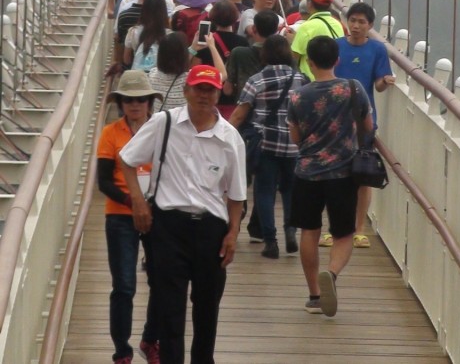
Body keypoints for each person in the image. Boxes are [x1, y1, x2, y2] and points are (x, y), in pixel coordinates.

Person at [120, 64, 246, 364]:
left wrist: (233, 234)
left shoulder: (230, 138)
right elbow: (127, 159)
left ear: (218, 93)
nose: (204, 95)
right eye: (199, 88)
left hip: (211, 229)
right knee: (170, 310)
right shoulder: (164, 123)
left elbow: (237, 195)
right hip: (168, 227)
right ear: (186, 91)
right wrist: (138, 201)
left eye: (210, 90)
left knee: (207, 310)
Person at [287, 35, 372, 317]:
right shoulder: (352, 88)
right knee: (343, 233)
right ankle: (332, 275)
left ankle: (314, 295)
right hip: (343, 173)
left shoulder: (298, 96)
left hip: (307, 173)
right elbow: (368, 125)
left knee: (309, 232)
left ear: (309, 62)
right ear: (337, 60)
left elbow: (296, 137)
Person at [97, 70, 162, 364]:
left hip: (157, 214)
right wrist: (132, 201)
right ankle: (121, 350)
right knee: (124, 285)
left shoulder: (161, 131)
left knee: (162, 280)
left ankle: (150, 339)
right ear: (121, 103)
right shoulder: (110, 133)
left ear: (150, 102)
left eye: (141, 99)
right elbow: (104, 181)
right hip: (121, 215)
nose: (135, 105)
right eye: (129, 100)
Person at [230, 35, 307, 258]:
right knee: (290, 191)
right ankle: (291, 232)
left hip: (265, 143)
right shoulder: (300, 79)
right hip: (294, 144)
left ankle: (270, 242)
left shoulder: (257, 80)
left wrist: (223, 137)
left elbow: (239, 114)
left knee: (264, 192)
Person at [328, 2, 395, 247]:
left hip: (364, 120)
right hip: (335, 119)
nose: (356, 26)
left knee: (362, 175)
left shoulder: (377, 49)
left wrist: (385, 82)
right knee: (333, 175)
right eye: (352, 20)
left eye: (361, 22)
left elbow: (377, 85)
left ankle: (358, 229)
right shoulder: (336, 46)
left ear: (370, 26)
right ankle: (334, 228)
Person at [289, 0, 345, 78]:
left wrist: (292, 40)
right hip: (331, 81)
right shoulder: (337, 24)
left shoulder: (306, 27)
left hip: (309, 82)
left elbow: (293, 58)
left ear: (310, 4)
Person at [123, 0, 170, 72]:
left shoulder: (133, 31)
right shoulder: (170, 35)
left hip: (139, 78)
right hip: (159, 79)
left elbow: (126, 60)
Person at [148, 32, 190, 111]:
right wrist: (212, 46)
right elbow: (220, 75)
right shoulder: (189, 79)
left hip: (159, 122)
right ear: (184, 54)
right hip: (181, 123)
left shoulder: (152, 75)